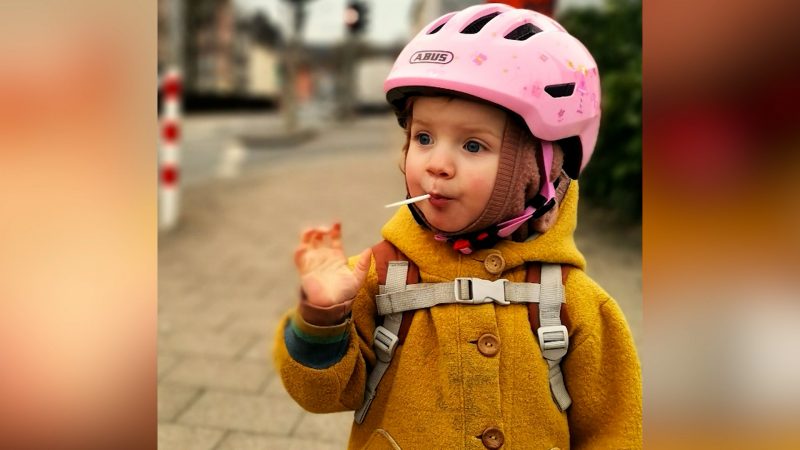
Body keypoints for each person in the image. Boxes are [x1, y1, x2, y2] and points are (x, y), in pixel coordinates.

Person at [273, 3, 641, 449]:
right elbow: (325, 394)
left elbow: (614, 430)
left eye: (472, 144)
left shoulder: (575, 304)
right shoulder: (378, 276)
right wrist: (323, 319)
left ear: (541, 171)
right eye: (423, 138)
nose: (437, 166)